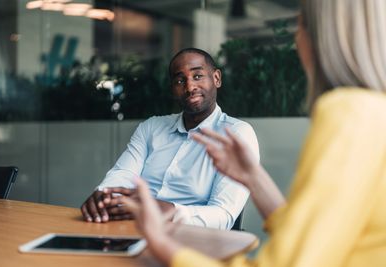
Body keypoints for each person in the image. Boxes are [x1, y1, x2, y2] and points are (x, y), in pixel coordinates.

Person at [122, 0, 386, 266]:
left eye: (300, 24)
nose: (296, 38)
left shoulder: (349, 114)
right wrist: (253, 178)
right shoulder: (372, 112)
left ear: (317, 36)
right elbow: (309, 239)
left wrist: (161, 242)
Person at [80, 48, 260, 230]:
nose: (190, 87)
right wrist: (105, 195)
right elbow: (123, 173)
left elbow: (224, 215)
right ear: (173, 88)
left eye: (197, 76)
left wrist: (172, 211)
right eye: (180, 80)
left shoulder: (236, 134)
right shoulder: (151, 128)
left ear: (216, 78)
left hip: (190, 242)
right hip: (131, 231)